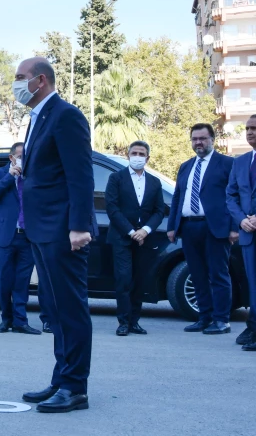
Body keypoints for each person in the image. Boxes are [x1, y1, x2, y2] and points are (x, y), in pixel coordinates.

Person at [14, 57, 96, 414]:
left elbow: (81, 176)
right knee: (55, 310)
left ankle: (75, 386)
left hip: (64, 230)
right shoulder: (38, 118)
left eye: (20, 78)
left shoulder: (66, 115)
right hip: (41, 229)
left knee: (70, 309)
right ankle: (61, 378)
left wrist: (79, 225)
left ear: (41, 80)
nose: (16, 85)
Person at [168, 123, 236, 335]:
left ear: (212, 139)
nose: (198, 142)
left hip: (215, 227)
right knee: (197, 274)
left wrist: (235, 227)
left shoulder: (227, 163)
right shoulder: (186, 166)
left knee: (218, 275)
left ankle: (222, 320)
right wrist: (172, 226)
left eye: (203, 138)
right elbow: (178, 197)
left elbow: (235, 197)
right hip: (189, 227)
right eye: (195, 139)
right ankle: (204, 317)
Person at [105, 141, 168, 336]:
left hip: (145, 239)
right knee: (124, 279)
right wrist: (132, 232)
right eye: (134, 153)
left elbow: (159, 210)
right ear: (128, 155)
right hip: (122, 237)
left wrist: (146, 230)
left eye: (142, 154)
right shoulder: (116, 178)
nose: (138, 156)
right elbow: (112, 209)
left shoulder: (155, 182)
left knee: (140, 280)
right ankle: (123, 322)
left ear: (147, 158)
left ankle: (134, 321)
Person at [0, 143, 42, 335]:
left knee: (22, 281)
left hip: (27, 237)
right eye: (20, 156)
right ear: (11, 158)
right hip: (4, 237)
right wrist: (10, 176)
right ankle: (5, 319)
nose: (23, 159)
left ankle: (20, 321)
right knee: (3, 280)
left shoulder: (34, 175)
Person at [225, 114, 256, 350]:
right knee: (253, 283)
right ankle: (253, 326)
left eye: (254, 128)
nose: (250, 133)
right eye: (247, 129)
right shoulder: (240, 161)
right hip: (248, 233)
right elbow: (231, 195)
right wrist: (241, 220)